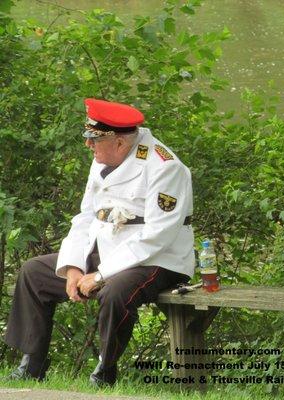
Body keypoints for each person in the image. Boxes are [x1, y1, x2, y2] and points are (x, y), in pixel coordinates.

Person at [4, 98, 195, 386]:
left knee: (116, 290)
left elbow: (158, 235)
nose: (88, 146)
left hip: (158, 258)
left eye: (94, 139)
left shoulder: (164, 167)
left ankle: (105, 371)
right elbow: (85, 217)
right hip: (107, 249)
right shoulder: (104, 160)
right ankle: (32, 363)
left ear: (119, 142)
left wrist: (101, 274)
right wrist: (72, 267)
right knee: (34, 273)